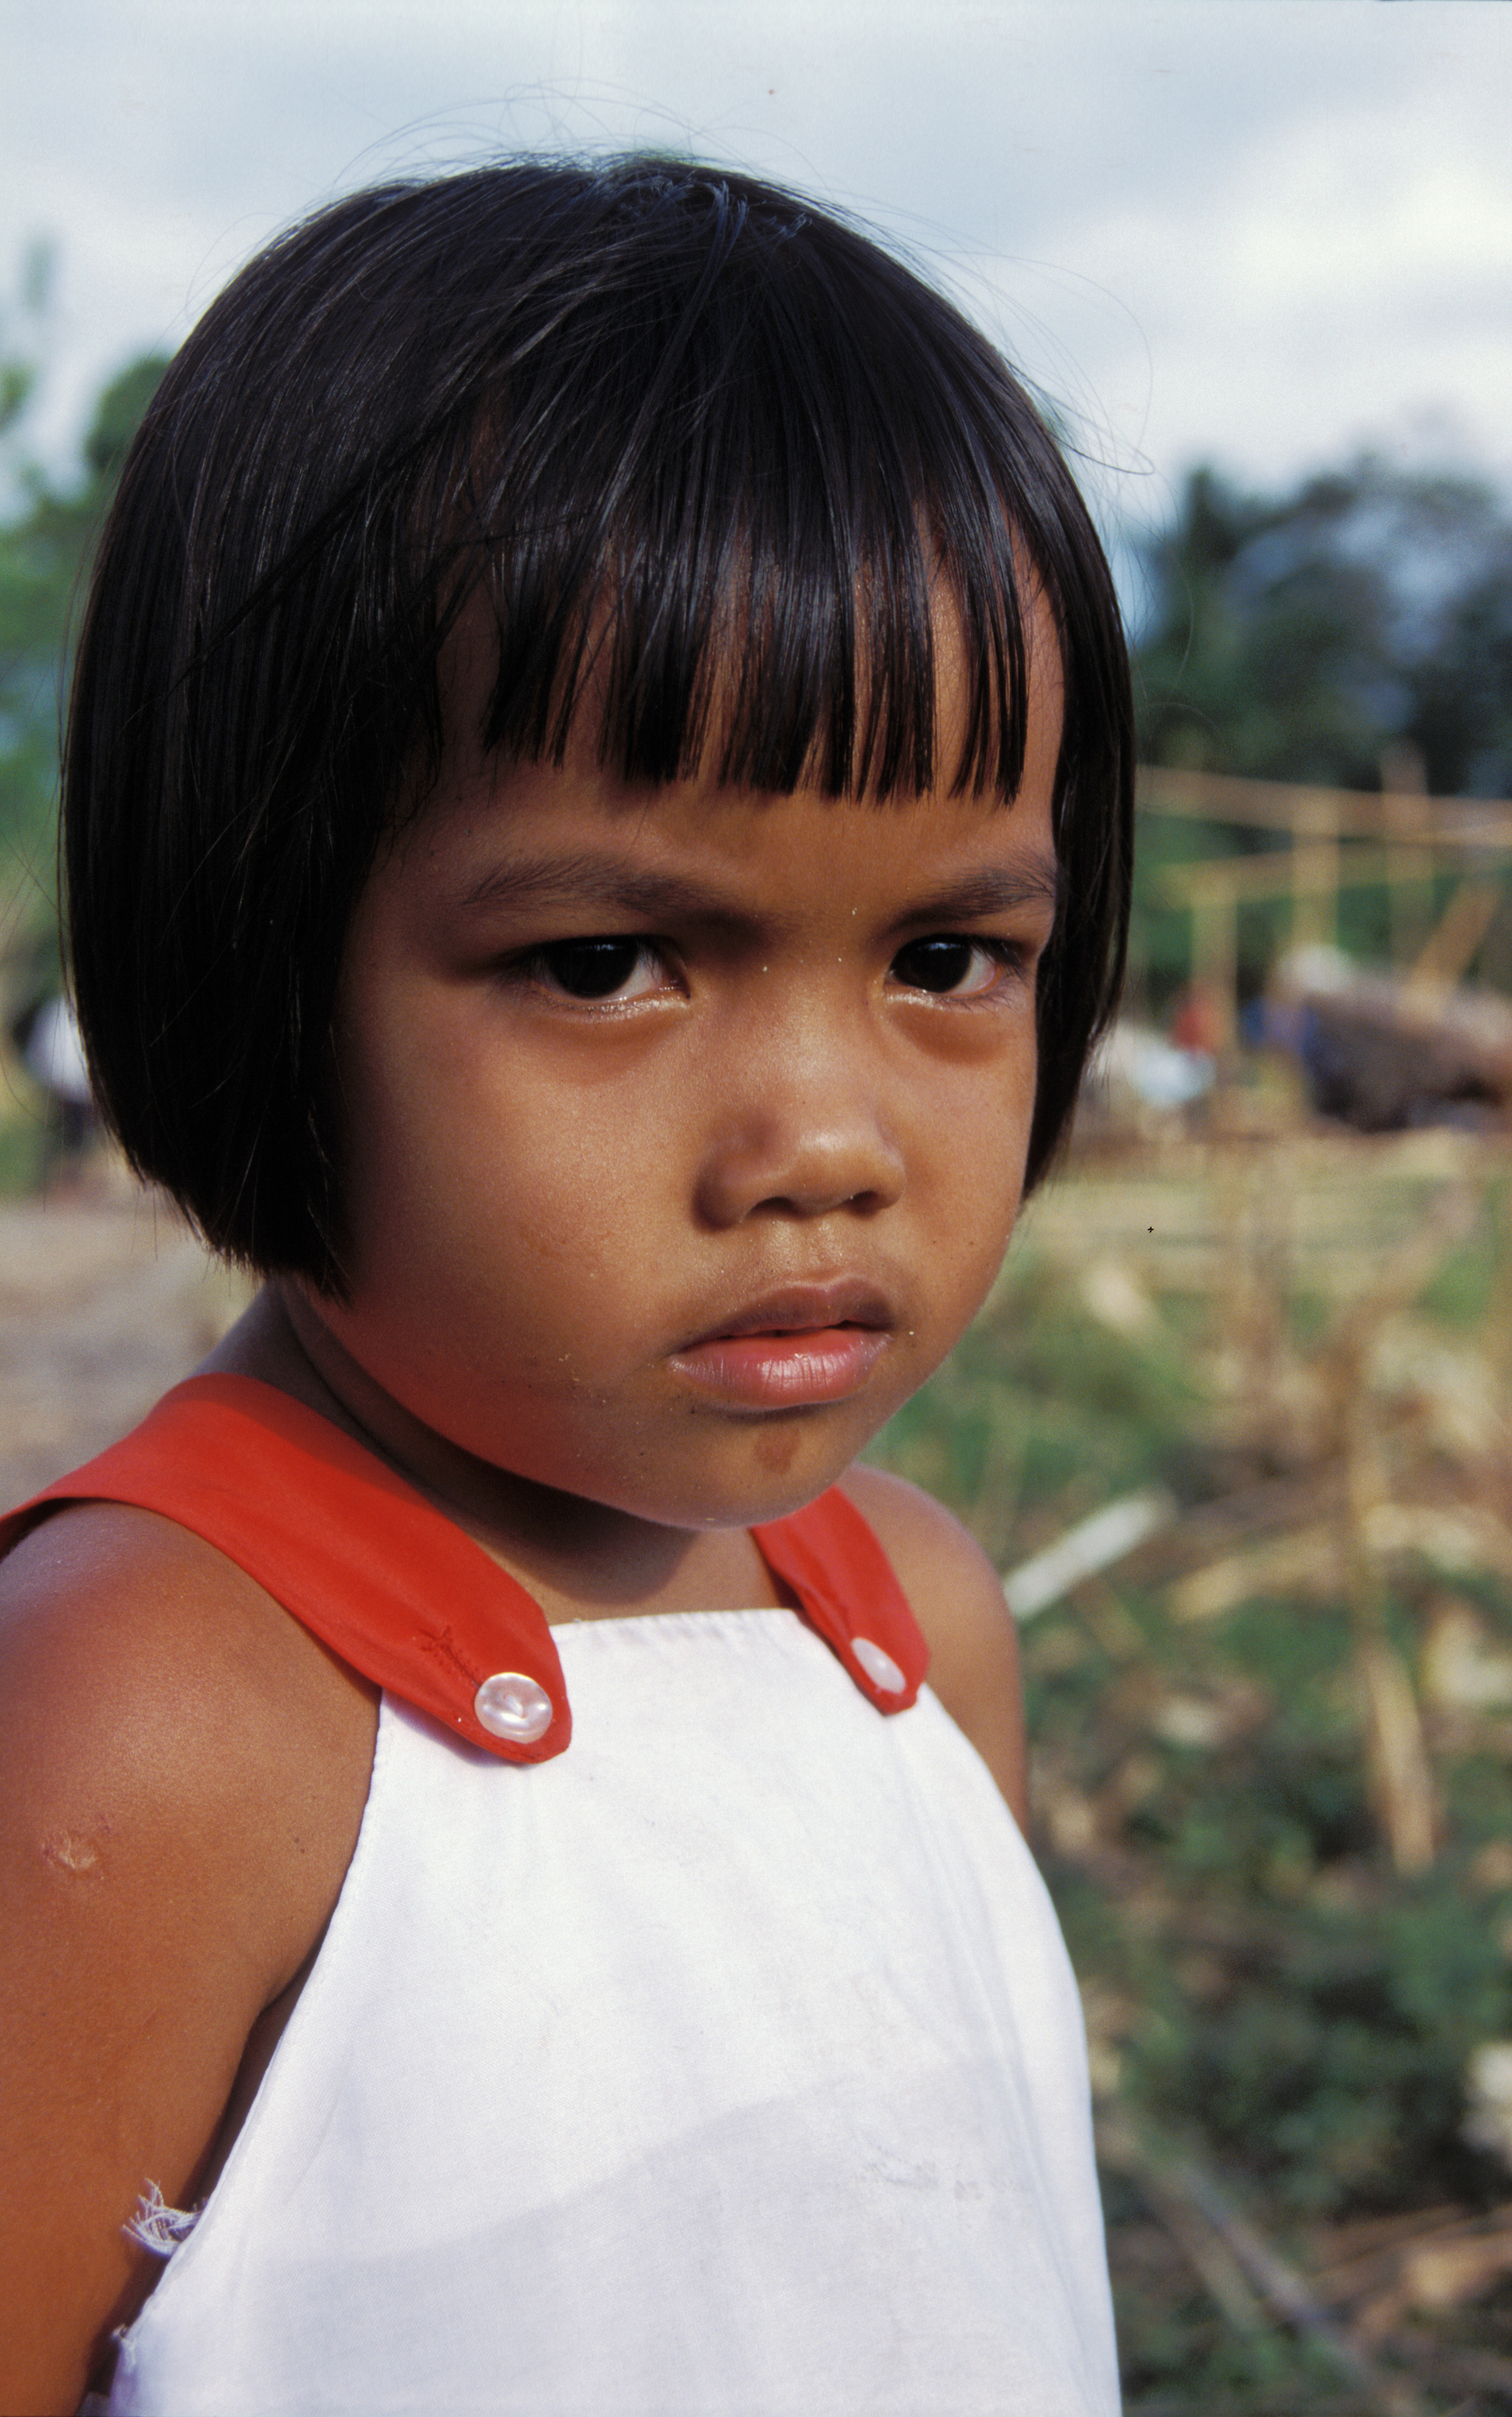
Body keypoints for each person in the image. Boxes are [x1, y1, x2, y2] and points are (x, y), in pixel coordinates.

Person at [0, 158, 1133, 2416]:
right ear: (250, 948)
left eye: (945, 960)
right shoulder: (152, 1717)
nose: (824, 1138)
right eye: (605, 962)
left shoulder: (914, 1628)